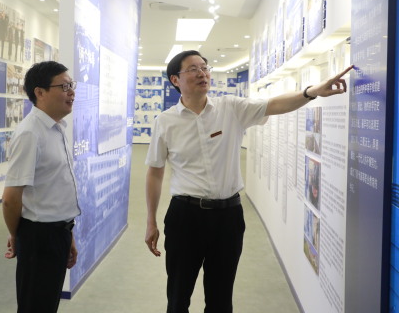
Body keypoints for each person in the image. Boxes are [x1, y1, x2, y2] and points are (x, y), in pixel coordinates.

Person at [144, 50, 352, 313]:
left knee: (221, 299)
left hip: (228, 218)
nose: (202, 73)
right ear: (175, 80)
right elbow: (155, 172)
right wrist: (151, 220)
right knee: (178, 296)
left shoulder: (230, 108)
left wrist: (311, 92)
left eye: (205, 67)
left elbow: (273, 105)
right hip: (185, 218)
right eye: (193, 69)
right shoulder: (165, 122)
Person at [2, 61, 81, 313]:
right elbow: (11, 197)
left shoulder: (57, 129)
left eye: (72, 85)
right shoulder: (30, 133)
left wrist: (67, 234)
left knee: (46, 305)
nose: (71, 92)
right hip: (38, 238)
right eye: (64, 86)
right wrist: (16, 235)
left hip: (57, 232)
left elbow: (54, 190)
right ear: (40, 92)